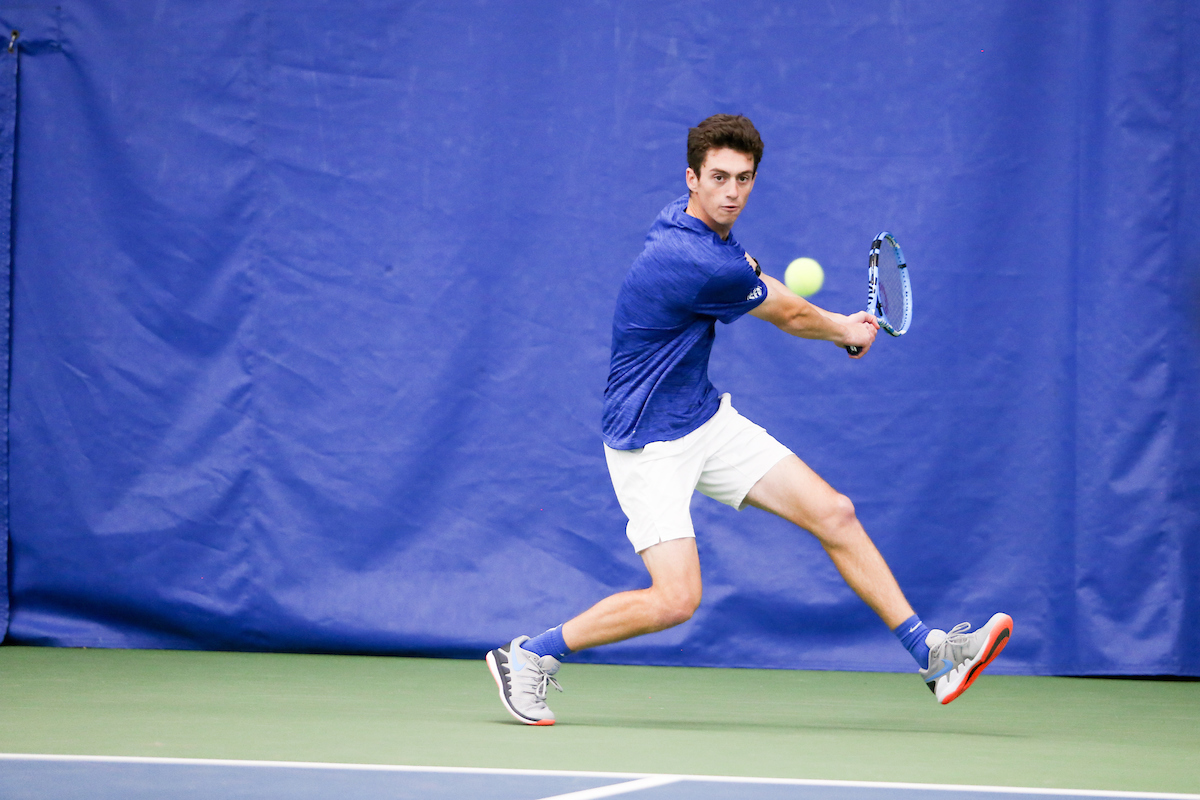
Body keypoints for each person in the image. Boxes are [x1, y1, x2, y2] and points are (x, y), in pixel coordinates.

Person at [486, 114, 1012, 725]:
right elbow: (784, 314)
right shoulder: (694, 259)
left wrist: (832, 320)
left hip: (703, 420)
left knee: (833, 512)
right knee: (677, 599)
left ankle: (932, 654)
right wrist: (844, 327)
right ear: (693, 178)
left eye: (744, 178)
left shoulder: (697, 228)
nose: (731, 191)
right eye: (718, 178)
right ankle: (528, 656)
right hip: (648, 442)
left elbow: (760, 282)